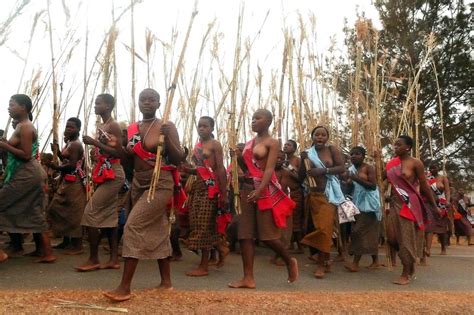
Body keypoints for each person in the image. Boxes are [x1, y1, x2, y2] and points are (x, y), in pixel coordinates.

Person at [104, 88, 184, 302]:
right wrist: (119, 148)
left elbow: (177, 159)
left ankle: (124, 287)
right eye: (142, 100)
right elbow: (128, 161)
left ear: (159, 104)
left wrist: (167, 139)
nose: (146, 103)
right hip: (139, 182)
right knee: (157, 228)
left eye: (151, 100)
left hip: (160, 183)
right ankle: (166, 282)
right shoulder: (132, 129)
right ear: (138, 103)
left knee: (132, 225)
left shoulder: (166, 126)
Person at [229, 109, 298, 289]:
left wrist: (260, 190)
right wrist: (237, 158)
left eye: (258, 118)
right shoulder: (249, 143)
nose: (253, 121)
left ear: (268, 121)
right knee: (245, 235)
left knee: (267, 237)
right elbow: (247, 167)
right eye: (252, 118)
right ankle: (248, 278)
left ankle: (289, 261)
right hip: (246, 190)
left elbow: (269, 170)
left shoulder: (273, 142)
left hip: (263, 191)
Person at [0, 94, 56, 263]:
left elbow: (25, 155)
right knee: (34, 211)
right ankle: (46, 252)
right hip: (26, 174)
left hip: (26, 175)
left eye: (12, 104)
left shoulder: (24, 126)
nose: (9, 108)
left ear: (23, 107)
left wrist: (4, 145)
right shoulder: (23, 126)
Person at [77, 94, 125, 271]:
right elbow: (107, 150)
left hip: (114, 174)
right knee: (109, 217)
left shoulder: (113, 125)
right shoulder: (103, 126)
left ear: (108, 106)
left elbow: (119, 153)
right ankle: (113, 260)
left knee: (89, 213)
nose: (95, 106)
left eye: (99, 103)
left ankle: (94, 259)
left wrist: (93, 142)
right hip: (104, 173)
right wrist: (95, 152)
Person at [385, 135, 440, 285]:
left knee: (406, 238)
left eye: (399, 145)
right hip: (395, 203)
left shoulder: (416, 163)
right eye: (394, 145)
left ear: (408, 147)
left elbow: (424, 185)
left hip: (409, 204)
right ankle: (410, 263)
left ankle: (406, 272)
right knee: (392, 237)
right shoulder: (391, 164)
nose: (395, 147)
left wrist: (434, 207)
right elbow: (384, 181)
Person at [183, 116, 229, 276]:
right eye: (199, 126)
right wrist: (187, 169)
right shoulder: (198, 145)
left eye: (205, 126)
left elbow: (220, 168)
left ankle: (203, 266)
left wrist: (223, 193)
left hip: (211, 188)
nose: (201, 129)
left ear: (212, 129)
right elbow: (199, 169)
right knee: (197, 222)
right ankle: (219, 249)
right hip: (198, 186)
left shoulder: (215, 144)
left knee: (204, 224)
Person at [299, 126, 346, 279]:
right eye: (317, 135)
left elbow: (341, 168)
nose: (320, 137)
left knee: (324, 228)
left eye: (323, 135)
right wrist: (303, 160)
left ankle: (320, 265)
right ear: (312, 137)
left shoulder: (332, 150)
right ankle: (325, 260)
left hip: (329, 194)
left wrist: (323, 171)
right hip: (313, 195)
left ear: (327, 137)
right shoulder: (307, 153)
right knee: (321, 227)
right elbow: (301, 176)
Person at [46, 117, 87, 255]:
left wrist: (55, 167)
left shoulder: (75, 144)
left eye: (72, 127)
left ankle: (77, 245)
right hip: (67, 181)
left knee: (74, 213)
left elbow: (72, 165)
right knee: (59, 209)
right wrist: (57, 152)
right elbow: (66, 160)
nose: (68, 129)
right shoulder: (69, 143)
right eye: (67, 127)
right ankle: (65, 241)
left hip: (74, 181)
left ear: (78, 130)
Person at [344, 146, 382, 272]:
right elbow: (350, 187)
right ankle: (375, 261)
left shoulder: (368, 168)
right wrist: (348, 182)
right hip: (357, 202)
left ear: (363, 156)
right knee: (367, 232)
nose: (354, 156)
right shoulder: (351, 169)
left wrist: (356, 179)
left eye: (357, 154)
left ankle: (355, 263)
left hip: (369, 203)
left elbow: (372, 186)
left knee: (358, 230)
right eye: (352, 154)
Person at [283, 140, 305, 253]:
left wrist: (290, 168)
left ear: (294, 148)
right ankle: (290, 243)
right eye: (285, 144)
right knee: (286, 219)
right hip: (284, 195)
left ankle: (300, 247)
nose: (286, 146)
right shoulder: (281, 160)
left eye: (289, 145)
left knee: (295, 219)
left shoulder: (298, 160)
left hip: (295, 193)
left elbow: (300, 177)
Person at [424, 164, 451, 256]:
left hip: (441, 205)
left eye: (434, 168)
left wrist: (447, 201)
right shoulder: (426, 177)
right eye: (430, 167)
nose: (432, 169)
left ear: (438, 169)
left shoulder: (443, 178)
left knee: (442, 229)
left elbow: (447, 191)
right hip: (429, 204)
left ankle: (443, 248)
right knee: (429, 227)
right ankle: (427, 249)